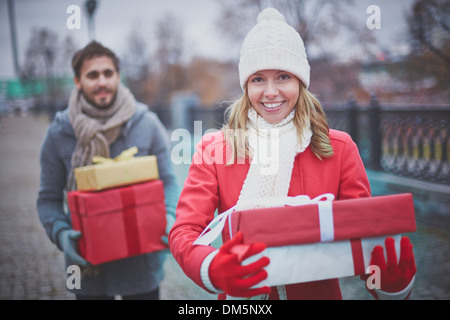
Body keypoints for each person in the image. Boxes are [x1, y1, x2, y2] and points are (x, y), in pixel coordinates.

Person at [169, 8, 416, 300]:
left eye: (283, 76)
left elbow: (361, 242)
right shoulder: (214, 150)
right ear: (246, 85)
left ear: (300, 81)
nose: (270, 91)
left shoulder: (339, 149)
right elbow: (185, 231)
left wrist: (391, 286)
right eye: (258, 79)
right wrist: (212, 268)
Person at [37, 41, 178, 300]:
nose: (102, 81)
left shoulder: (147, 123)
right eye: (92, 75)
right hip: (86, 264)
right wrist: (61, 234)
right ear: (78, 81)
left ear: (118, 76)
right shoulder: (58, 132)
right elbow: (47, 198)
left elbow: (168, 180)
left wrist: (168, 216)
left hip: (141, 264)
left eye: (108, 73)